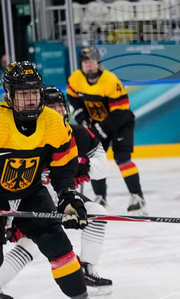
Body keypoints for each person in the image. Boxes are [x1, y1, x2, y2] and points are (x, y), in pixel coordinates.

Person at [0, 62, 107, 299]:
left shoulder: (52, 121)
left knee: (57, 243)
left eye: (34, 91)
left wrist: (69, 196)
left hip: (30, 192)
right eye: (23, 94)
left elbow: (63, 165)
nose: (31, 98)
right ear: (9, 95)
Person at [66, 47, 148, 215]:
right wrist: (82, 118)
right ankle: (100, 197)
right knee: (95, 159)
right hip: (97, 124)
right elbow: (73, 98)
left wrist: (101, 129)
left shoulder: (111, 81)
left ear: (98, 63)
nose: (89, 66)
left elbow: (121, 111)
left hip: (121, 123)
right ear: (81, 64)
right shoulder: (75, 79)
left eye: (92, 62)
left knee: (122, 158)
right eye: (85, 62)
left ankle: (137, 196)